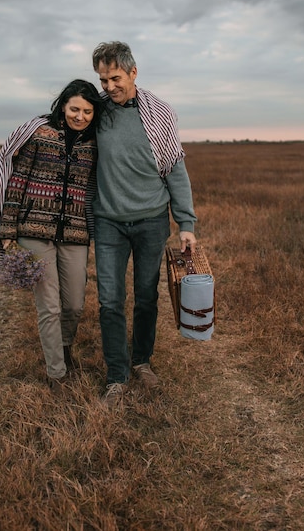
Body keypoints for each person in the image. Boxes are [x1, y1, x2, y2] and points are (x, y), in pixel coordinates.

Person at [91, 41, 197, 407]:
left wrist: (186, 222)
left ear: (133, 72)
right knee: (109, 301)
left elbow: (175, 170)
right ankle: (117, 376)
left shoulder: (160, 113)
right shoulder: (97, 113)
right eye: (103, 80)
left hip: (152, 221)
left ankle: (141, 361)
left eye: (115, 78)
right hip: (108, 223)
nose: (108, 86)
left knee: (147, 297)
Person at [0, 79, 103, 394]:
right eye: (74, 109)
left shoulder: (94, 143)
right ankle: (57, 374)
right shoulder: (39, 134)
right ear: (62, 106)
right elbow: (17, 181)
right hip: (34, 230)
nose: (80, 116)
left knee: (73, 304)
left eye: (87, 111)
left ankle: (65, 346)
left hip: (74, 231)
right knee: (50, 306)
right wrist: (8, 228)